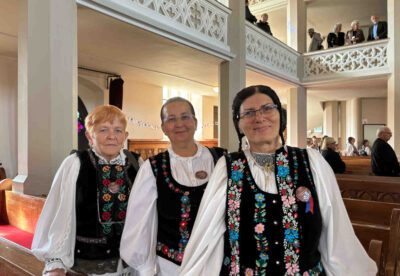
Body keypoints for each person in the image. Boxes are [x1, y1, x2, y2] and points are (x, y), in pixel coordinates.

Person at [179, 85, 376, 275]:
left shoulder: (311, 162)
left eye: (267, 108)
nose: (259, 117)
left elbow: (335, 229)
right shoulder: (228, 167)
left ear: (280, 117)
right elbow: (207, 235)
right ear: (238, 124)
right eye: (248, 113)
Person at [120, 97, 226, 275]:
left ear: (195, 122)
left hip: (216, 261)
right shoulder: (151, 168)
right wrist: (145, 268)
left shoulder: (221, 160)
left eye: (185, 117)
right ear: (163, 127)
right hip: (171, 267)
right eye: (171, 119)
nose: (179, 124)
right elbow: (139, 222)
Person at [32, 105, 142, 275]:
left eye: (118, 130)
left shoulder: (137, 164)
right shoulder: (76, 164)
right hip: (89, 264)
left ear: (125, 136)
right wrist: (56, 264)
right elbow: (61, 215)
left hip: (132, 264)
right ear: (89, 136)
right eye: (103, 129)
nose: (112, 136)